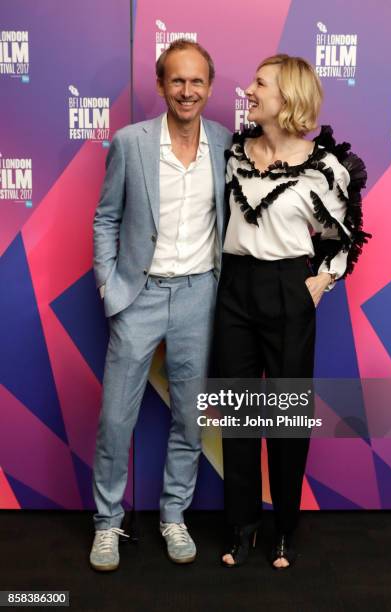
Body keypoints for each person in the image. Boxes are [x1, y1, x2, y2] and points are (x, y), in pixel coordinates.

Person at [213, 54, 371, 569]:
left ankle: (283, 528)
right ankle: (241, 525)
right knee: (238, 416)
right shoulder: (234, 153)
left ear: (289, 97)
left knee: (284, 415)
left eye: (260, 83)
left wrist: (318, 285)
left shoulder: (324, 166)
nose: (249, 90)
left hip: (289, 289)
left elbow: (341, 238)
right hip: (235, 289)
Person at [90, 39, 231, 571]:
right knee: (115, 420)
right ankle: (107, 523)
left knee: (189, 421)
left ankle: (174, 515)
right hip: (139, 295)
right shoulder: (131, 143)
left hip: (199, 295)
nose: (187, 91)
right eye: (177, 80)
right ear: (161, 85)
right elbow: (105, 218)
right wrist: (110, 285)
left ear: (210, 87)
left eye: (196, 82)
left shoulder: (224, 142)